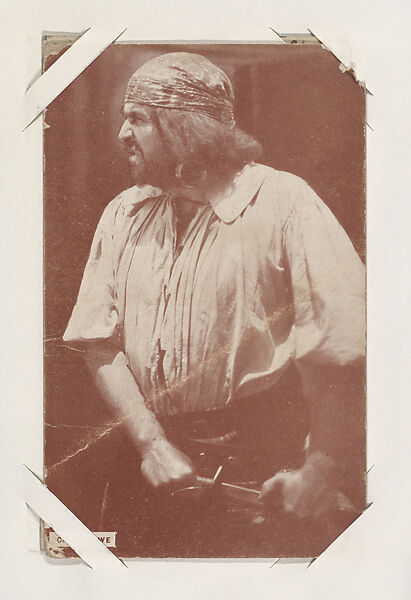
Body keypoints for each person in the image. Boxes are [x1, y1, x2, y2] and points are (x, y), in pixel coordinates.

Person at [63, 52, 365, 557]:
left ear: (185, 127)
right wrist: (151, 444)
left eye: (138, 118)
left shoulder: (283, 202)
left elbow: (341, 348)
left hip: (261, 472)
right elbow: (98, 342)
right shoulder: (124, 213)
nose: (122, 134)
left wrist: (321, 467)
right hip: (149, 464)